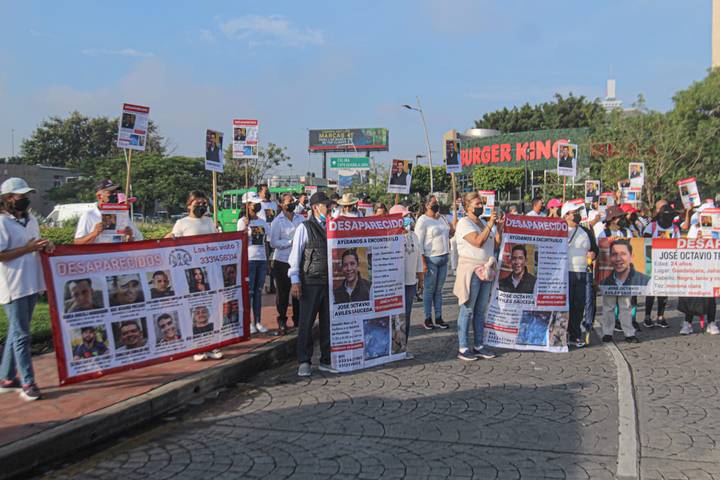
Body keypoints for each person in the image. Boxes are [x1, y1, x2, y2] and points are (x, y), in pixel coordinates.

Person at [0, 178, 53, 401]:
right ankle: (29, 381)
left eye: (26, 196)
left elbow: (35, 243)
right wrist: (27, 248)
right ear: (8, 198)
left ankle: (7, 377)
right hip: (13, 285)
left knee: (16, 331)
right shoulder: (2, 223)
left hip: (32, 282)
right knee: (22, 335)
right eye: (21, 196)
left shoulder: (30, 220)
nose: (25, 200)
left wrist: (44, 246)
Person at [288, 191, 337, 377]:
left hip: (329, 282)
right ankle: (304, 360)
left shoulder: (333, 226)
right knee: (306, 323)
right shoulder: (304, 228)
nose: (330, 208)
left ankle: (326, 359)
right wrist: (295, 281)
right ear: (316, 207)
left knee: (327, 322)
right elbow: (295, 256)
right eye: (326, 205)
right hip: (310, 281)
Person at [170, 190, 223, 361]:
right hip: (190, 274)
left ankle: (213, 344)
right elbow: (171, 243)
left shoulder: (209, 221)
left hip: (209, 272)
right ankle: (198, 347)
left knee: (212, 308)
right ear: (189, 205)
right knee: (195, 310)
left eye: (203, 203)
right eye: (197, 203)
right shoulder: (181, 223)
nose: (201, 206)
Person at [453, 192, 502, 361]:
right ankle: (463, 346)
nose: (480, 206)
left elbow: (493, 244)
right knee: (467, 309)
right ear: (467, 206)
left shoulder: (481, 222)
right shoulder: (464, 223)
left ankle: (479, 345)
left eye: (481, 203)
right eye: (477, 203)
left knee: (481, 310)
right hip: (471, 270)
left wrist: (498, 228)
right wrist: (489, 224)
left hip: (486, 269)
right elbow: (477, 242)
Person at [389, 204, 424, 359]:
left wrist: (420, 278)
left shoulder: (413, 235)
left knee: (406, 316)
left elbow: (418, 259)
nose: (406, 219)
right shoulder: (389, 236)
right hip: (393, 283)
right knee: (392, 316)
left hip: (410, 282)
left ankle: (403, 347)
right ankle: (391, 347)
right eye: (403, 217)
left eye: (407, 216)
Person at [414, 195, 453, 330]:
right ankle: (427, 318)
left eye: (437, 202)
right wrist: (422, 262)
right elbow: (418, 244)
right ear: (426, 205)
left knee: (439, 290)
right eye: (434, 203)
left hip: (444, 257)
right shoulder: (422, 220)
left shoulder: (442, 218)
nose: (437, 204)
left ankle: (439, 317)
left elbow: (450, 233)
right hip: (430, 259)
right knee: (429, 290)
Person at [269, 193, 304, 335]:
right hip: (282, 261)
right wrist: (290, 243)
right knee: (283, 294)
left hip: (298, 260)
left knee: (298, 292)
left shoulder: (300, 218)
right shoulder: (277, 221)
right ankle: (282, 321)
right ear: (282, 205)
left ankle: (298, 320)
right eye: (289, 202)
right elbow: (273, 242)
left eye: (293, 201)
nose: (292, 204)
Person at [677, 218, 719, 335]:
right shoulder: (695, 229)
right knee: (691, 294)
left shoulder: (717, 229)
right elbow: (687, 246)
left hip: (712, 266)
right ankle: (687, 323)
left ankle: (711, 322)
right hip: (695, 266)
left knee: (711, 296)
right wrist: (698, 240)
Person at [238, 192, 271, 334]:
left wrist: (268, 259)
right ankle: (248, 322)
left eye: (257, 203)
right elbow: (239, 241)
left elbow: (267, 241)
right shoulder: (242, 222)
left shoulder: (262, 222)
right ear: (247, 205)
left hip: (261, 259)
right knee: (249, 292)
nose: (256, 205)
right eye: (253, 203)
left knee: (258, 292)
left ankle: (257, 321)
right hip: (249, 260)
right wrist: (245, 229)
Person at [642, 201, 678, 329]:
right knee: (651, 291)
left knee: (663, 292)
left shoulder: (674, 228)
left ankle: (661, 316)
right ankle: (647, 316)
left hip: (667, 264)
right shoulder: (651, 227)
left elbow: (678, 245)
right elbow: (644, 243)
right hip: (651, 262)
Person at [562, 202, 594, 348]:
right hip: (564, 273)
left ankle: (575, 336)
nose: (576, 215)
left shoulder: (586, 231)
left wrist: (593, 254)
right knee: (565, 306)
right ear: (565, 215)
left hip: (582, 273)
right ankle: (563, 334)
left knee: (578, 305)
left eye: (577, 212)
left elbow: (595, 249)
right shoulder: (559, 230)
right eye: (573, 212)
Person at [600, 239, 643, 343]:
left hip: (626, 282)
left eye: (623, 254)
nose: (619, 257)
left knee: (626, 307)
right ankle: (607, 333)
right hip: (609, 281)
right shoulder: (606, 276)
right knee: (608, 307)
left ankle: (629, 333)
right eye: (615, 254)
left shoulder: (635, 273)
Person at [74, 179, 143, 244]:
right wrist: (94, 233)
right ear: (99, 196)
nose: (115, 194)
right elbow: (77, 242)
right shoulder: (89, 215)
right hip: (98, 255)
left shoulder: (122, 214)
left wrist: (130, 237)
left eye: (116, 192)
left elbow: (139, 240)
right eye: (111, 192)